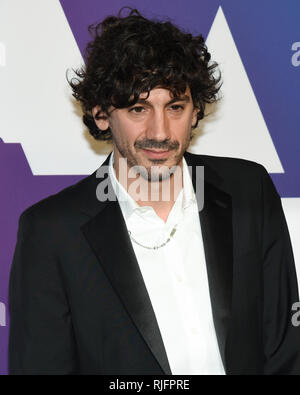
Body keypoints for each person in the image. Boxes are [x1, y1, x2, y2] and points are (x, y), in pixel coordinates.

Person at [8, 7, 300, 375]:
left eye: (175, 107)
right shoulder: (52, 232)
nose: (160, 132)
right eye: (138, 108)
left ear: (195, 111)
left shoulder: (249, 191)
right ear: (101, 114)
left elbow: (286, 353)